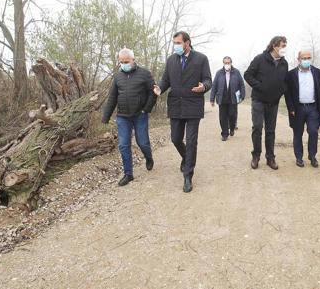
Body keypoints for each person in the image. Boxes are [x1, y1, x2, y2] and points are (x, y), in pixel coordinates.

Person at [153, 31, 212, 193]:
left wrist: (204, 87)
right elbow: (166, 79)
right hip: (176, 105)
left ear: (187, 43)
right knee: (175, 138)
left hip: (193, 104)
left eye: (178, 43)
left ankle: (188, 175)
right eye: (174, 43)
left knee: (192, 141)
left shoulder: (201, 59)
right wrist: (160, 88)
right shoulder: (171, 60)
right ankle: (186, 157)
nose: (176, 46)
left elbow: (208, 79)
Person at [102, 48, 157, 186]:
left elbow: (154, 92)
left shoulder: (144, 74)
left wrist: (146, 109)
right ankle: (128, 174)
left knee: (142, 142)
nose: (124, 64)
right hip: (123, 117)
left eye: (126, 61)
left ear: (133, 60)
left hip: (140, 115)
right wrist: (106, 116)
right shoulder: (118, 77)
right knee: (123, 145)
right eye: (121, 62)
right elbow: (112, 97)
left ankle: (148, 157)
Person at [243, 36, 289, 170]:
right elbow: (247, 75)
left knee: (271, 130)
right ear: (274, 46)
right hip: (258, 100)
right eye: (283, 45)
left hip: (273, 102)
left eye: (285, 45)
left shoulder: (284, 63)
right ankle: (256, 155)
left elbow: (284, 82)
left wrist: (280, 92)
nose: (284, 48)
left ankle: (270, 158)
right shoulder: (260, 59)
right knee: (257, 128)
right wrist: (259, 86)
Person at [284, 50, 320, 168]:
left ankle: (312, 156)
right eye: (304, 58)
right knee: (298, 133)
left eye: (308, 58)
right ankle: (299, 157)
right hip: (298, 108)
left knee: (313, 131)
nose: (306, 60)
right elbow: (287, 93)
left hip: (313, 108)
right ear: (298, 59)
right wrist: (291, 108)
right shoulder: (291, 74)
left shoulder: (317, 72)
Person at [210, 56, 246, 141]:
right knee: (223, 117)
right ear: (223, 63)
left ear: (231, 63)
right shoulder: (219, 73)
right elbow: (214, 86)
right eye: (225, 63)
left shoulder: (236, 72)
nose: (227, 64)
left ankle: (232, 128)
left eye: (228, 63)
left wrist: (242, 95)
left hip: (233, 99)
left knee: (232, 115)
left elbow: (241, 84)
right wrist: (212, 99)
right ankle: (224, 134)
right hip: (222, 98)